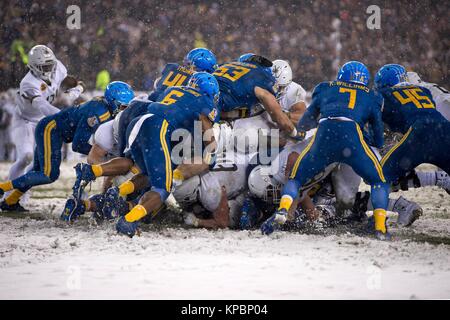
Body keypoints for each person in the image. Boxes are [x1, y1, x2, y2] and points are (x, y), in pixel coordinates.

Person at [262, 61, 391, 240]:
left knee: (296, 178)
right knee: (379, 181)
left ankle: (283, 209)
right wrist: (364, 137)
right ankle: (380, 228)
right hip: (352, 142)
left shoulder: (325, 88)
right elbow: (378, 137)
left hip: (324, 139)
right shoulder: (373, 96)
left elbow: (306, 123)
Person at [0, 81, 134, 211]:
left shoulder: (104, 106)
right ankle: (2, 187)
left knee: (37, 170)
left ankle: (10, 201)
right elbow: (78, 145)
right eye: (123, 107)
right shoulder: (99, 113)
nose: (125, 111)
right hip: (51, 129)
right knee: (48, 174)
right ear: (112, 101)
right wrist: (104, 153)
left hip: (54, 130)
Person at [375, 64, 450, 200]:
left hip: (420, 133)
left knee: (380, 176)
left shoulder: (384, 95)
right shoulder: (423, 91)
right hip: (445, 129)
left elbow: (378, 123)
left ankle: (383, 216)